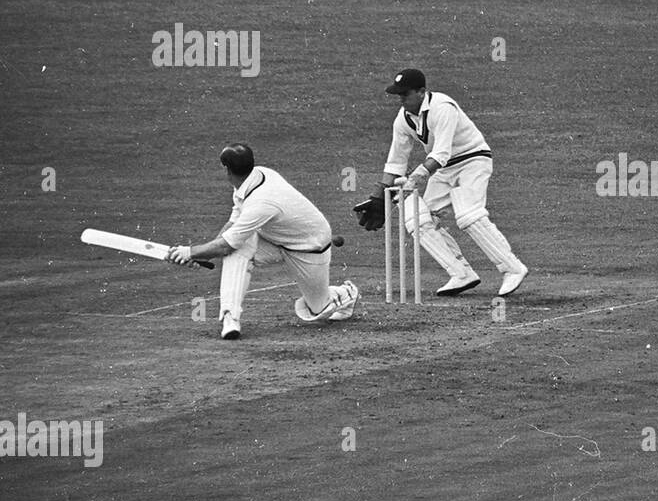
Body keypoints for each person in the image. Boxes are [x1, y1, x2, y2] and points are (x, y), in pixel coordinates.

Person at [352, 69, 528, 297]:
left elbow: (442, 152)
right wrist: (378, 196)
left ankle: (513, 269)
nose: (401, 99)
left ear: (422, 92)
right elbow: (395, 163)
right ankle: (461, 273)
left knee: (468, 215)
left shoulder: (442, 107)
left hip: (472, 159)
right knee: (418, 219)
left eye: (406, 94)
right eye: (399, 95)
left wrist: (416, 177)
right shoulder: (403, 119)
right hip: (443, 170)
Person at [166, 143, 359, 340]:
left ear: (227, 170)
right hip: (274, 238)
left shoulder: (261, 202)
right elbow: (232, 226)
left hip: (308, 248)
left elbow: (225, 244)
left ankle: (346, 293)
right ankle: (230, 318)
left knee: (318, 309)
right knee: (237, 249)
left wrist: (190, 252)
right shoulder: (256, 175)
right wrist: (201, 254)